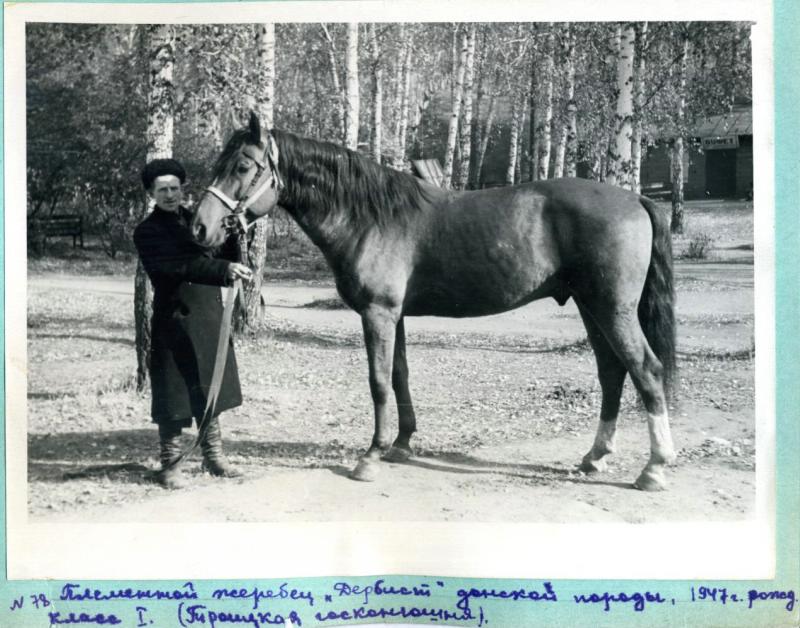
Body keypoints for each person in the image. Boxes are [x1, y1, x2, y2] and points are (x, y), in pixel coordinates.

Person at [133, 158, 253, 489]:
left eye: (175, 188)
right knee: (173, 395)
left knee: (210, 389)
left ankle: (214, 458)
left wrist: (234, 236)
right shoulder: (147, 231)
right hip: (174, 320)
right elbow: (177, 267)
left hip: (208, 317)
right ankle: (171, 465)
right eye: (163, 190)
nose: (171, 195)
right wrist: (222, 271)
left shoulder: (198, 220)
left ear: (182, 189)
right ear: (151, 193)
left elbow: (222, 256)